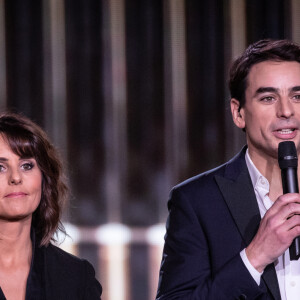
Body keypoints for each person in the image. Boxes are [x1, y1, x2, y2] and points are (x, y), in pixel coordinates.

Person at [156, 39, 300, 300]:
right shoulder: (197, 202)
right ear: (238, 113)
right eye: (268, 98)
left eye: (297, 96)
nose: (286, 110)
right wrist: (254, 257)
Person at [0, 112, 102, 299]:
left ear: (44, 178)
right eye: (0, 167)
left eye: (27, 166)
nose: (15, 177)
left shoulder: (76, 277)